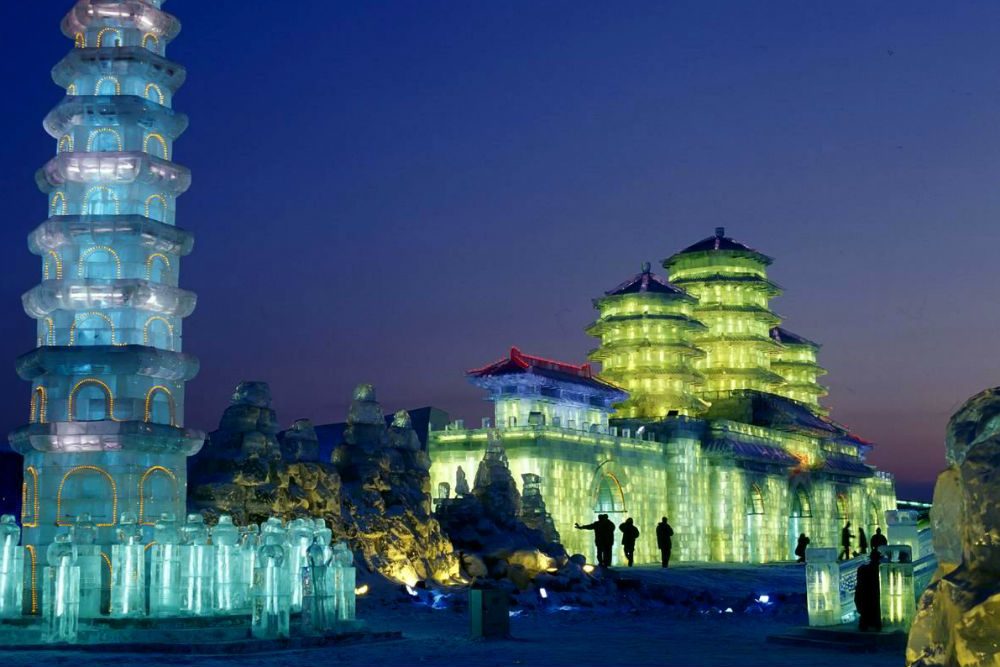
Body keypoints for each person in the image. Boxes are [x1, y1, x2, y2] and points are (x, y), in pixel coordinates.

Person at [854, 549, 882, 631]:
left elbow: (859, 586)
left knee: (865, 617)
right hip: (875, 597)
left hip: (865, 598)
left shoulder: (862, 569)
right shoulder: (880, 570)